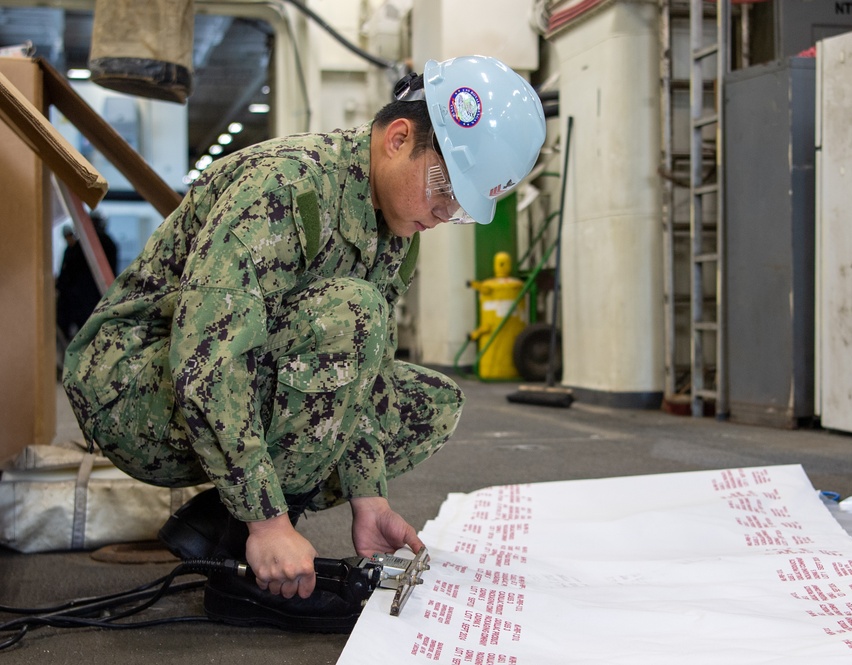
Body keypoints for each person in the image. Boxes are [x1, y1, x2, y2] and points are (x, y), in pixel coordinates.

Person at [61, 55, 546, 630]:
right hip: (134, 383)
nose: (445, 212)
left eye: (461, 207)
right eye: (445, 187)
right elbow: (207, 358)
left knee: (427, 403)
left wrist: (370, 499)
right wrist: (267, 523)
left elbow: (358, 373)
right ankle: (252, 550)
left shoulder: (394, 229)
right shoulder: (287, 187)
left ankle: (222, 522)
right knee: (351, 315)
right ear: (398, 138)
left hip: (215, 374)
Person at [55, 210, 118, 341]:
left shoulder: (79, 244)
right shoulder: (109, 243)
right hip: (101, 298)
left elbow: (66, 277)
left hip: (78, 300)